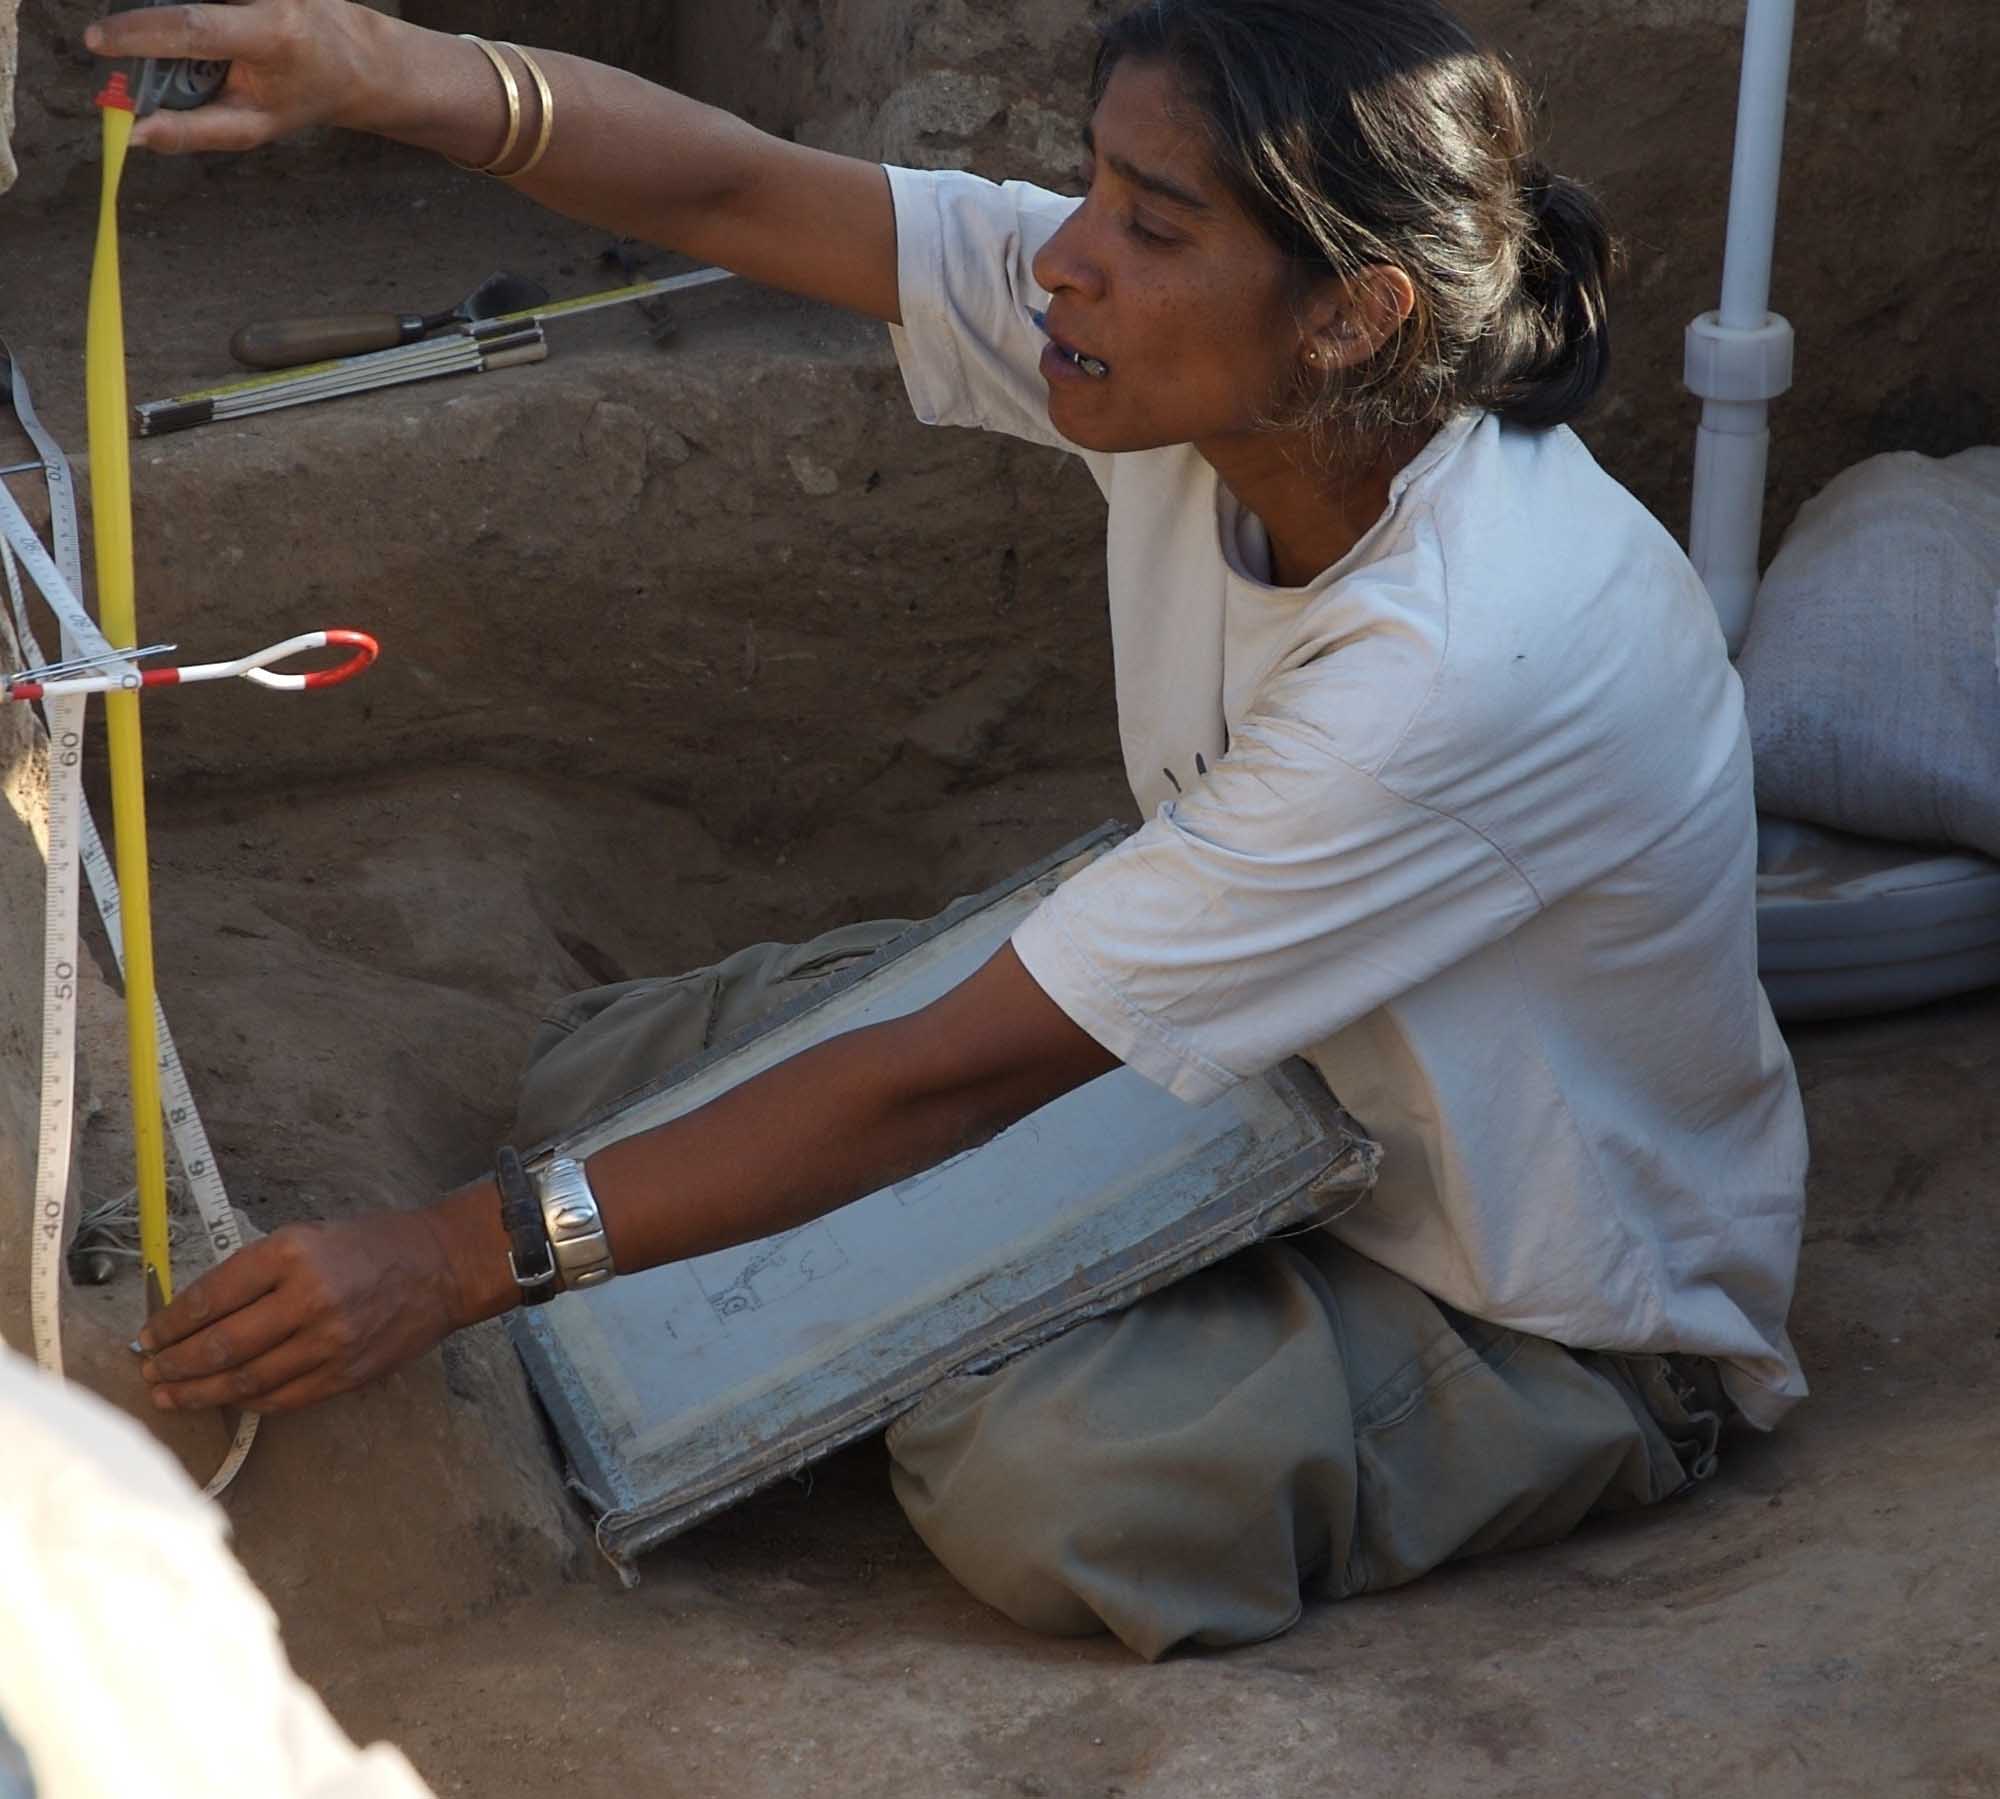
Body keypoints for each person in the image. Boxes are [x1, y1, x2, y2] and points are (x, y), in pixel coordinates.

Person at [88, 0, 1808, 1659]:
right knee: (603, 1087)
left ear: (1352, 317)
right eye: (1090, 187)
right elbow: (738, 190)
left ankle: (1567, 1424)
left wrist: (456, 1259)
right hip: (1247, 1078)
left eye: (1150, 222)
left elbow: (953, 1081)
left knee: (1034, 1475)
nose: (1068, 255)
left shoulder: (1459, 656)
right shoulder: (1207, 375)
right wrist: (378, 68)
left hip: (1511, 1288)